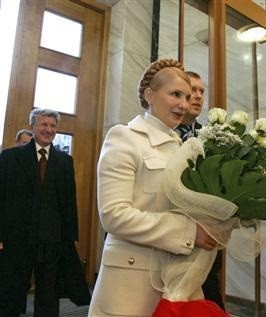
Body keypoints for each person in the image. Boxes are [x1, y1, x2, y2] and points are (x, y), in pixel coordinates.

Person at [89, 59, 221, 316]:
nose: (183, 104)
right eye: (175, 94)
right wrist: (189, 232)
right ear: (150, 95)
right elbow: (114, 215)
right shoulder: (124, 137)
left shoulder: (184, 148)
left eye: (187, 95)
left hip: (178, 282)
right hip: (131, 285)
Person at [0, 108, 91, 317]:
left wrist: (70, 237)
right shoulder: (10, 157)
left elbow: (69, 202)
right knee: (12, 291)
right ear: (33, 126)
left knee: (48, 294)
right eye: (44, 125)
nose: (48, 130)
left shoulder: (64, 162)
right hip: (17, 237)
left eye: (52, 126)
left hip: (51, 239)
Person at [175, 71, 225, 309]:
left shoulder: (213, 138)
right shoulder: (161, 134)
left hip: (208, 240)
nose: (197, 96)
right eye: (191, 90)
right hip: (170, 241)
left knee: (210, 303)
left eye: (201, 91)